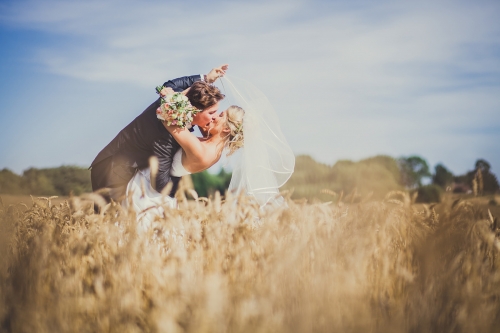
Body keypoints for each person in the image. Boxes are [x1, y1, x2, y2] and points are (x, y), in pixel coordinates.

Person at [126, 75, 295, 224]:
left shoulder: (202, 151)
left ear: (227, 129)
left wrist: (174, 96)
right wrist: (206, 79)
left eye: (220, 115)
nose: (214, 116)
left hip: (147, 195)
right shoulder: (212, 147)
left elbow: (167, 119)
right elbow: (200, 119)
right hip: (155, 192)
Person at [90, 65, 228, 204]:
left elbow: (171, 85)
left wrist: (206, 78)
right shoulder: (167, 132)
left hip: (116, 162)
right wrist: (181, 191)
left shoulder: (171, 101)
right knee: (109, 221)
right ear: (194, 111)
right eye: (211, 113)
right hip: (114, 170)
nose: (214, 117)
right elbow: (160, 182)